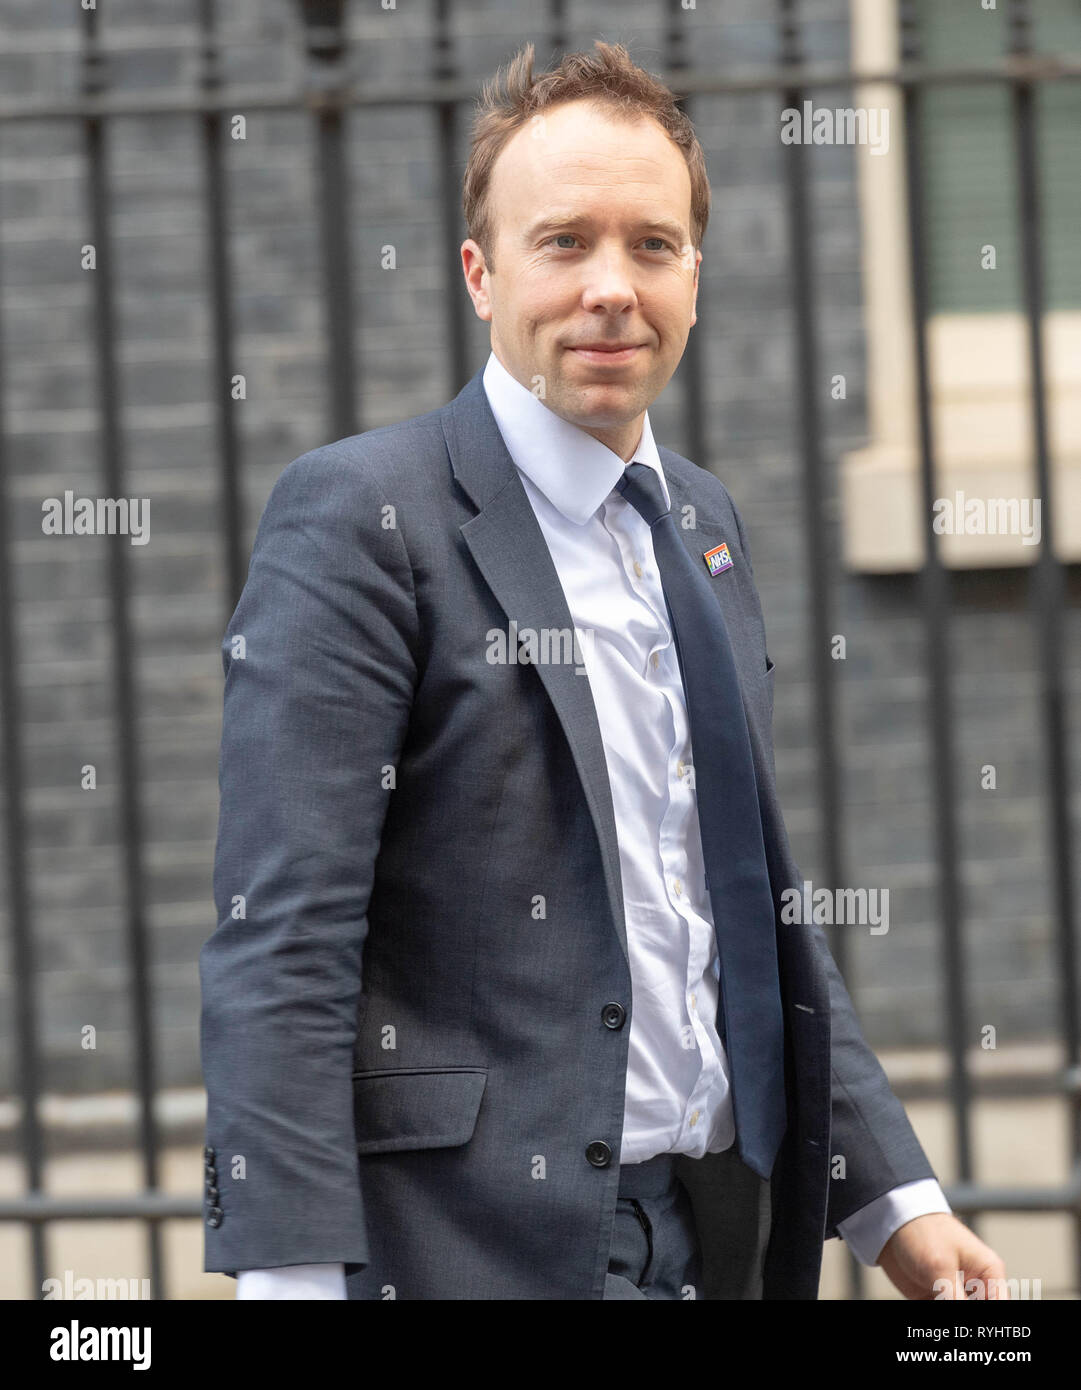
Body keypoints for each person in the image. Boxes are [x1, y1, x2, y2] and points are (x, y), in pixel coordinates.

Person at [200, 40, 1005, 1300]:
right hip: (463, 1252)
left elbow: (744, 904)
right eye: (564, 242)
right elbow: (282, 937)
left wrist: (894, 1198)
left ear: (695, 274)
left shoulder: (701, 522)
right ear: (479, 273)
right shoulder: (364, 516)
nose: (612, 288)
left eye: (652, 244)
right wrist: (289, 1274)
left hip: (710, 1236)